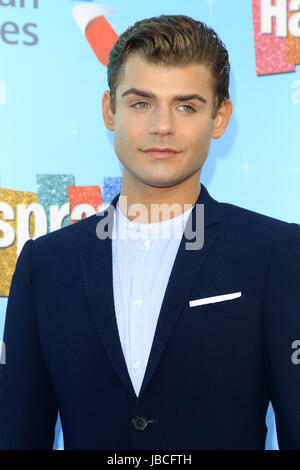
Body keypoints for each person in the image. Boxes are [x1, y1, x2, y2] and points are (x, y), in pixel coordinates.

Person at [0, 14, 299, 450]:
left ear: (219, 117)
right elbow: (17, 434)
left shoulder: (274, 253)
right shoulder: (44, 265)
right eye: (141, 103)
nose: (162, 126)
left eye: (186, 106)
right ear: (110, 110)